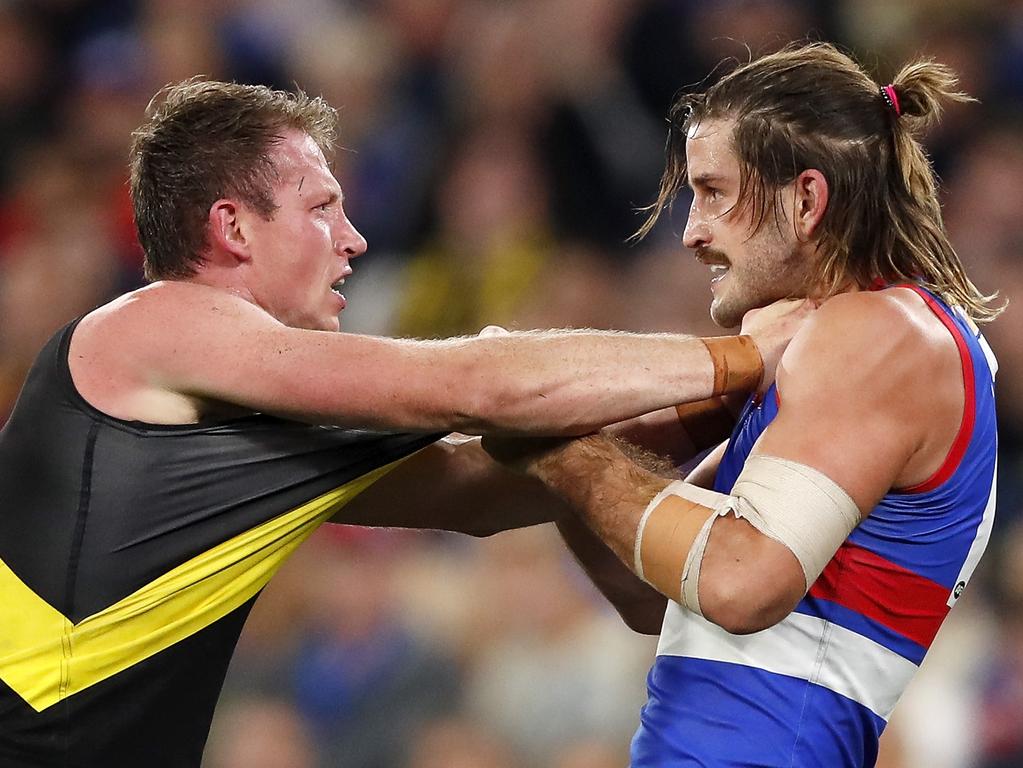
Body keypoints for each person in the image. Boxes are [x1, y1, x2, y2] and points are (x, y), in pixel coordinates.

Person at [0, 79, 806, 766]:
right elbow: (471, 386)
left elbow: (477, 491)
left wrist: (712, 412)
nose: (353, 240)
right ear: (232, 227)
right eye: (322, 208)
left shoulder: (237, 417)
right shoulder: (150, 326)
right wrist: (745, 357)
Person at [483, 42, 1001, 767]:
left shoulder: (882, 334)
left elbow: (734, 582)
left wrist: (567, 447)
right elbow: (650, 592)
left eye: (714, 191)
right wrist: (555, 446)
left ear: (807, 201)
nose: (691, 231)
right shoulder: (838, 357)